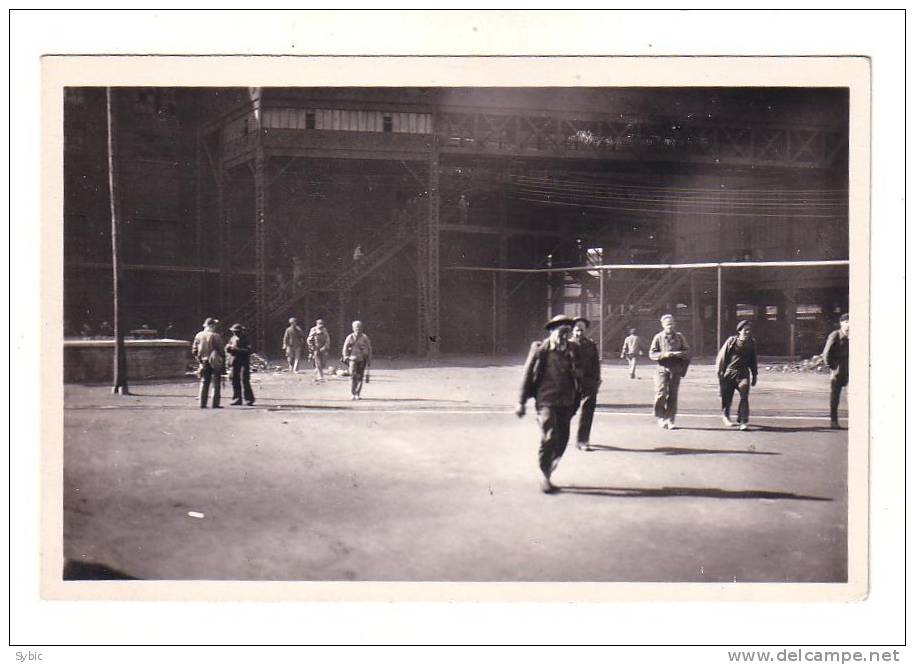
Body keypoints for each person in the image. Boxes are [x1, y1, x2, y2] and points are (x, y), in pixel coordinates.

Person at [516, 314, 580, 494]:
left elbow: (581, 374)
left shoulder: (572, 349)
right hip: (546, 400)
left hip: (567, 401)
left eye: (567, 332)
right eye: (561, 332)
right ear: (552, 331)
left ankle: (549, 468)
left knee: (563, 440)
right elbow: (527, 374)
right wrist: (521, 402)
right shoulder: (540, 349)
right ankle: (544, 476)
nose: (564, 336)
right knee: (550, 436)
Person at [648, 314, 691, 430]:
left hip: (675, 369)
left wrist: (679, 353)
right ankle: (661, 416)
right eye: (667, 324)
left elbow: (687, 351)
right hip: (661, 369)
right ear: (663, 325)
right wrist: (664, 354)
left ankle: (670, 419)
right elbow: (652, 354)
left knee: (673, 395)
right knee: (660, 394)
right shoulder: (658, 337)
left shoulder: (680, 337)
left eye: (671, 324)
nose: (670, 326)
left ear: (675, 324)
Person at [716, 320, 758, 431]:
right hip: (730, 373)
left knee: (744, 396)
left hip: (743, 373)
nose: (747, 332)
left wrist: (754, 375)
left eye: (749, 330)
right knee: (727, 397)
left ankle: (743, 421)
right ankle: (726, 415)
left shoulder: (751, 342)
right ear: (739, 331)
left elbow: (753, 360)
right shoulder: (731, 341)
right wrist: (720, 374)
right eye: (745, 330)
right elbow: (722, 358)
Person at [570, 317, 601, 451]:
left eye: (582, 330)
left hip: (589, 382)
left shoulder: (591, 344)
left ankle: (583, 440)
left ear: (585, 330)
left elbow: (595, 364)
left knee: (587, 412)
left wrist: (597, 380)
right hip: (571, 382)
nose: (579, 332)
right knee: (567, 411)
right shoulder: (567, 344)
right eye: (577, 329)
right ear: (572, 330)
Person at [191, 317, 226, 409]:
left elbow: (194, 350)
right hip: (214, 361)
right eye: (214, 325)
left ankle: (202, 403)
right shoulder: (216, 336)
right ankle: (215, 403)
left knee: (204, 381)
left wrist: (199, 360)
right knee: (216, 382)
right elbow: (221, 351)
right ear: (212, 325)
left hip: (203, 361)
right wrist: (223, 363)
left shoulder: (198, 335)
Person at [822, 313, 850, 429]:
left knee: (853, 397)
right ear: (841, 323)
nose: (849, 325)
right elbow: (826, 354)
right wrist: (832, 367)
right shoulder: (835, 335)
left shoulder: (856, 336)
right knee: (835, 397)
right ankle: (833, 421)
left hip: (850, 372)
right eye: (847, 322)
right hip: (837, 371)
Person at [342, 320, 373, 400]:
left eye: (359, 327)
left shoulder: (364, 337)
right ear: (353, 328)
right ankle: (352, 393)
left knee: (360, 377)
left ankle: (357, 394)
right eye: (356, 327)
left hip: (362, 359)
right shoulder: (350, 337)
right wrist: (345, 356)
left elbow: (369, 348)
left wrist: (369, 359)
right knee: (352, 376)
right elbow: (345, 347)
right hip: (352, 359)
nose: (357, 329)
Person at [226, 323, 255, 406]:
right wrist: (228, 349)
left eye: (236, 331)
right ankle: (237, 398)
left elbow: (249, 351)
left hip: (243, 362)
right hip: (234, 361)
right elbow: (228, 348)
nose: (235, 333)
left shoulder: (246, 339)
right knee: (234, 380)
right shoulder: (232, 338)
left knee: (245, 380)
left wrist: (237, 350)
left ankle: (249, 399)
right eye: (234, 331)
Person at [307, 318, 332, 383]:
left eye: (322, 324)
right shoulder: (313, 329)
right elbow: (309, 339)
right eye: (319, 324)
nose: (321, 326)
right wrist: (312, 348)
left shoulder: (324, 330)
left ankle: (318, 372)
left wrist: (326, 346)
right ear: (316, 324)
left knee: (323, 363)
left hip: (323, 348)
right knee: (318, 362)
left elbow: (327, 339)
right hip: (316, 348)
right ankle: (320, 376)